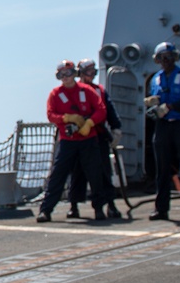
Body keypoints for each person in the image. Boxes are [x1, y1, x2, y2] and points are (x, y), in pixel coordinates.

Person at [37, 61, 107, 223]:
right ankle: (46, 210)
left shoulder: (87, 91)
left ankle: (98, 208)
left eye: (68, 74)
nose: (66, 78)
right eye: (62, 75)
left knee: (95, 175)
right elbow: (51, 115)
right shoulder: (55, 94)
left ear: (74, 74)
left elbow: (101, 110)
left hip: (88, 140)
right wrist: (66, 119)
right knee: (58, 175)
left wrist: (89, 123)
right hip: (68, 141)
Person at [66, 58, 123, 220]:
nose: (91, 75)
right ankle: (74, 205)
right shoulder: (73, 91)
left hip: (98, 135)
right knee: (78, 172)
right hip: (79, 137)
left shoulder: (99, 90)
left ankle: (110, 204)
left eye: (93, 71)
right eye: (88, 71)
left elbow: (108, 109)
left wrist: (116, 128)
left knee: (104, 171)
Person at [145, 42, 180, 221]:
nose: (166, 61)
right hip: (163, 127)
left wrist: (172, 106)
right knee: (162, 169)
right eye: (162, 58)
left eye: (169, 57)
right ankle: (161, 209)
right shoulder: (156, 78)